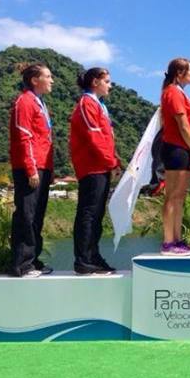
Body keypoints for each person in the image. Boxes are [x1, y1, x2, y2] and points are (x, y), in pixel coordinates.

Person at [70, 67, 121, 275]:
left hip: (101, 166)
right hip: (92, 166)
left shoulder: (99, 105)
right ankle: (83, 260)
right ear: (94, 82)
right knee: (89, 213)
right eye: (107, 81)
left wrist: (114, 161)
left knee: (97, 214)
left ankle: (93, 255)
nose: (110, 85)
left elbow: (106, 138)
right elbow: (94, 138)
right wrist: (111, 162)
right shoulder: (87, 103)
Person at [8, 61, 54, 278]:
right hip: (30, 167)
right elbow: (23, 137)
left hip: (42, 166)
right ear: (35, 80)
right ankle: (22, 265)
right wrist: (31, 168)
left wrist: (49, 169)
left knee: (36, 216)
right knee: (26, 215)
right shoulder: (25, 101)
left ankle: (33, 260)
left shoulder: (39, 102)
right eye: (48, 76)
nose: (52, 80)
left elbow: (44, 139)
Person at [159, 58, 190, 256]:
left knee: (180, 197)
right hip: (176, 149)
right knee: (172, 196)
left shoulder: (180, 93)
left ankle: (176, 239)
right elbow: (183, 125)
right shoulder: (173, 92)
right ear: (179, 73)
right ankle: (168, 242)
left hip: (183, 149)